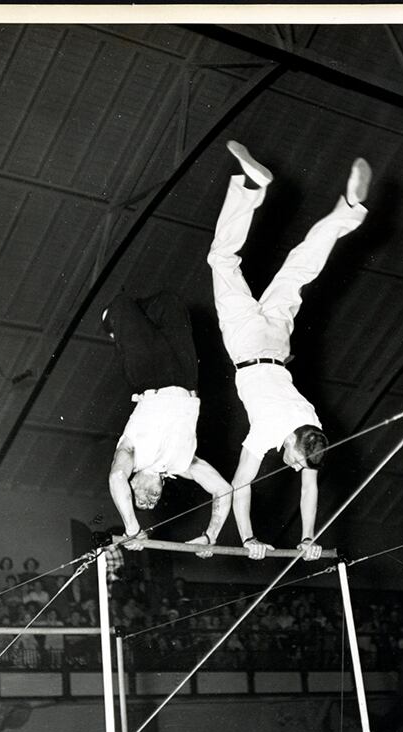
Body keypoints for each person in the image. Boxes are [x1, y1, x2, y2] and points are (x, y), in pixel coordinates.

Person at [207, 140, 372, 560]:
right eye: (298, 462)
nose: (296, 468)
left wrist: (308, 539)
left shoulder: (309, 421)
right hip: (245, 343)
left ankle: (348, 212)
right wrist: (247, 539)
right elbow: (240, 488)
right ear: (301, 446)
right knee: (222, 260)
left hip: (278, 341)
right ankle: (250, 186)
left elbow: (310, 487)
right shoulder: (265, 432)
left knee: (299, 267)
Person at [103, 289, 232, 554]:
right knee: (170, 301)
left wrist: (131, 529)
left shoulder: (131, 456)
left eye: (140, 499)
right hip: (187, 378)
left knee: (122, 304)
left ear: (133, 482)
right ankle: (139, 321)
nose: (148, 502)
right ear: (163, 488)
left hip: (150, 376)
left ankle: (117, 328)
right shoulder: (182, 464)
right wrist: (210, 536)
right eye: (154, 501)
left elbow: (116, 476)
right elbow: (224, 489)